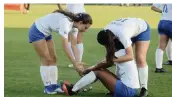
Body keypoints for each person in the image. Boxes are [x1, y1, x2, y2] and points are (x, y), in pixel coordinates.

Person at [28, 10, 92, 94]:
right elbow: (65, 46)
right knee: (46, 59)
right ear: (80, 22)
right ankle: (48, 88)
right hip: (37, 31)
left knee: (53, 58)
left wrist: (78, 63)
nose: (86, 30)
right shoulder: (65, 23)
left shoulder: (75, 27)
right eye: (85, 27)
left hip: (46, 33)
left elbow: (74, 45)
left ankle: (53, 86)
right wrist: (74, 63)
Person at [62, 44, 140, 97]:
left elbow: (101, 64)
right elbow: (102, 64)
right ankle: (75, 87)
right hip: (131, 90)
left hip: (127, 91)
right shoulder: (123, 52)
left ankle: (72, 90)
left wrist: (86, 71)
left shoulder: (118, 53)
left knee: (98, 71)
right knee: (101, 70)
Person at [57, 4, 86, 68]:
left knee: (72, 40)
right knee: (79, 40)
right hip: (82, 13)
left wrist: (60, 8)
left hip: (73, 13)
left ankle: (76, 62)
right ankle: (78, 61)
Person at [151, 4, 172, 73]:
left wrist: (164, 12)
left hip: (162, 22)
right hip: (170, 22)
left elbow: (153, 7)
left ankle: (158, 68)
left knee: (161, 46)